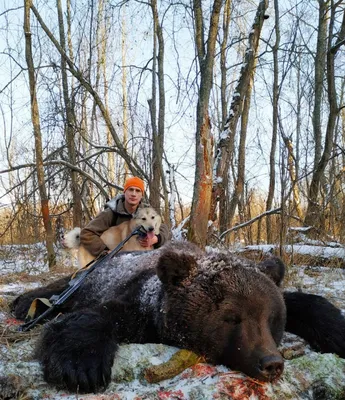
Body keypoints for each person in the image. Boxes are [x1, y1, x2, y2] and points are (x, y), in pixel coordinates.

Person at [79, 177, 171, 258]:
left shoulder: (147, 211)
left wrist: (156, 238)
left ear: (141, 195)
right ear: (124, 192)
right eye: (130, 189)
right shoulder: (111, 212)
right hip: (110, 258)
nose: (134, 194)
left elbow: (163, 228)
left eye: (138, 190)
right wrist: (104, 251)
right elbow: (86, 233)